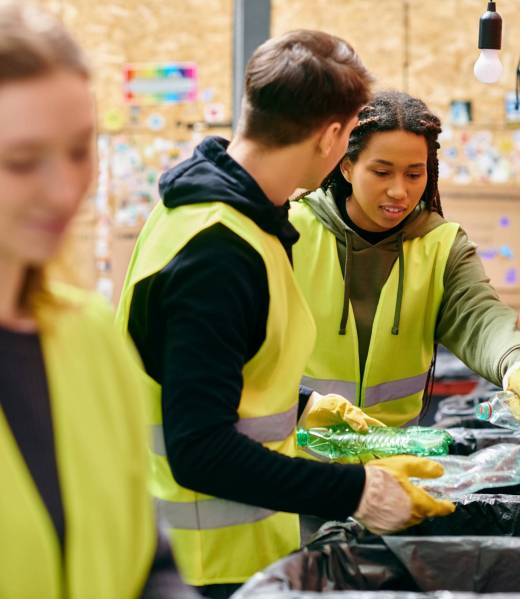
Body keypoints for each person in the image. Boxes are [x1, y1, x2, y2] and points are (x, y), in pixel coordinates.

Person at [116, 32, 454, 598]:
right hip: (204, 568)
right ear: (330, 138)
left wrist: (308, 408)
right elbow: (199, 449)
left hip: (244, 556)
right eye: (349, 137)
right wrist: (357, 491)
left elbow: (218, 376)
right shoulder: (218, 252)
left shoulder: (230, 220)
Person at [0, 3, 197, 597]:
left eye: (81, 150)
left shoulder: (90, 336)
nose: (65, 190)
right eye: (22, 162)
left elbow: (143, 558)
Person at [290, 89, 520, 428]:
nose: (399, 191)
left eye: (414, 174)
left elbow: (480, 317)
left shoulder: (441, 245)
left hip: (393, 461)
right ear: (348, 166)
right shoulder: (290, 231)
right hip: (294, 461)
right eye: (382, 172)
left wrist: (514, 363)